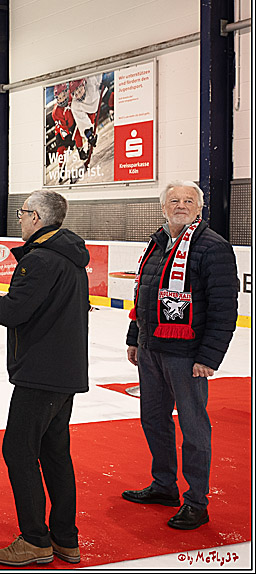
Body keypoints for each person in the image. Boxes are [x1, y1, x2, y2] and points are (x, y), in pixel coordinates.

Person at [0, 189, 89, 566]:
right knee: (53, 452)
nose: (19, 219)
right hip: (61, 371)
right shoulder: (68, 257)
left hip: (42, 373)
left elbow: (14, 312)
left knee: (18, 450)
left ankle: (36, 539)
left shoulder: (40, 261)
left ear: (36, 217)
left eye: (21, 213)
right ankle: (65, 537)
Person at [122, 181, 238, 531]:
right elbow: (143, 293)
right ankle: (164, 486)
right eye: (174, 200)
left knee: (193, 428)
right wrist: (135, 337)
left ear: (200, 208)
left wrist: (209, 357)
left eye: (189, 200)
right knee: (154, 420)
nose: (181, 205)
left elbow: (223, 308)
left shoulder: (212, 247)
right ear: (163, 207)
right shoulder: (158, 242)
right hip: (151, 348)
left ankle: (196, 502)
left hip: (187, 356)